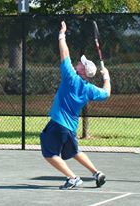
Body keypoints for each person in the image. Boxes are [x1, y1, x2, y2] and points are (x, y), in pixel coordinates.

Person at [40, 21, 111, 190]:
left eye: (80, 63)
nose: (78, 62)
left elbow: (64, 53)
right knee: (74, 152)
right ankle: (97, 173)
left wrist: (62, 34)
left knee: (49, 154)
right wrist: (107, 77)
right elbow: (106, 93)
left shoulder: (70, 77)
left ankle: (72, 178)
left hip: (58, 125)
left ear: (81, 70)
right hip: (70, 127)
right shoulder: (90, 89)